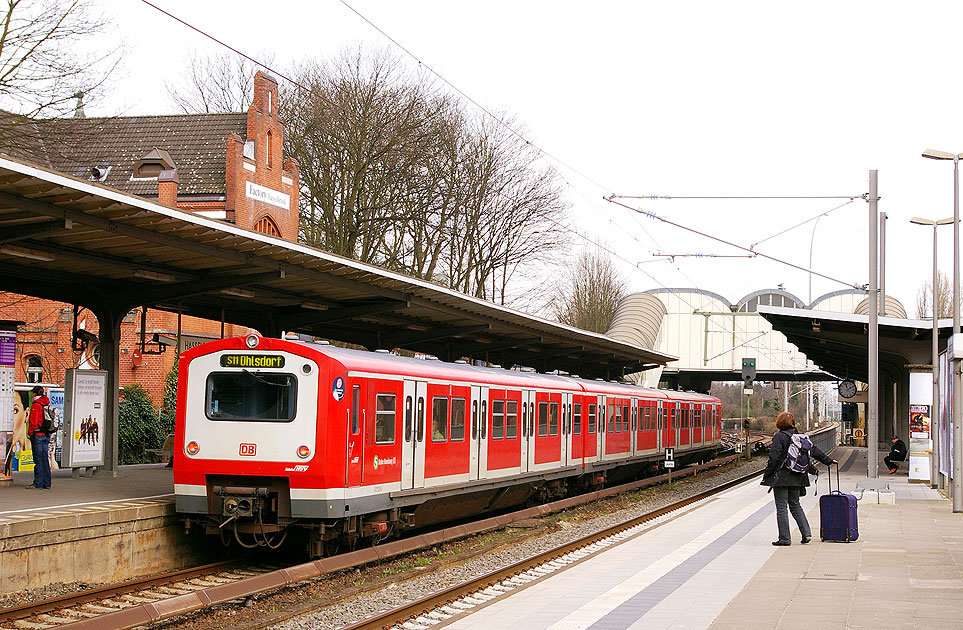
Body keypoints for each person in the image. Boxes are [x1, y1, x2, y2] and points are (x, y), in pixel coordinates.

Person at [761, 411, 835, 546]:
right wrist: (829, 461)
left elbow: (774, 458)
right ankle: (806, 533)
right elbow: (814, 451)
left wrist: (768, 475)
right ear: (793, 423)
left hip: (782, 477)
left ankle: (784, 538)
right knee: (795, 505)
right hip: (798, 476)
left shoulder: (779, 437)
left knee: (782, 507)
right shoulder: (801, 437)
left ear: (779, 423)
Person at [26, 385, 51, 489]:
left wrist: (31, 433)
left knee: (38, 460)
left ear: (35, 394)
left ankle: (38, 483)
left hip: (38, 435)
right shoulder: (46, 403)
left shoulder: (36, 405)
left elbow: (33, 422)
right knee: (45, 459)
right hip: (46, 434)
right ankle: (46, 483)